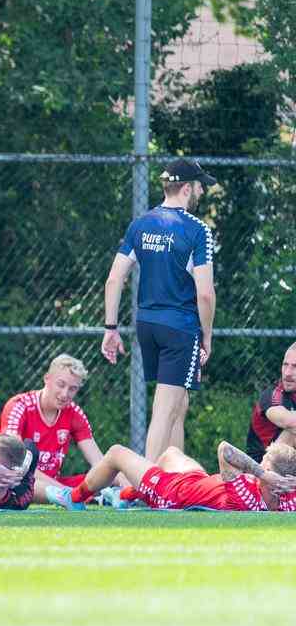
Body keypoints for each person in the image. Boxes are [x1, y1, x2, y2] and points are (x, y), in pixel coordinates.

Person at [101, 158, 217, 460]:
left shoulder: (140, 224)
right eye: (200, 186)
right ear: (187, 188)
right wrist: (207, 336)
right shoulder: (197, 230)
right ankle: (146, 484)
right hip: (180, 327)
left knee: (179, 403)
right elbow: (205, 294)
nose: (202, 192)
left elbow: (114, 279)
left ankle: (174, 477)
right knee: (166, 409)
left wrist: (110, 329)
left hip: (147, 326)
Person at [0, 354, 121, 503]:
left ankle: (125, 495)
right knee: (18, 476)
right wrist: (65, 492)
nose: (65, 394)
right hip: (15, 482)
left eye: (73, 389)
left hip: (54, 486)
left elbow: (100, 463)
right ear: (47, 379)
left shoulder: (74, 412)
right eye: (61, 384)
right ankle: (81, 497)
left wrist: (124, 482)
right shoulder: (19, 406)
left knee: (110, 475)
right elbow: (15, 463)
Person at [47, 438, 296, 512]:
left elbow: (225, 449)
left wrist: (263, 473)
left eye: (264, 467)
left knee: (115, 453)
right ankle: (129, 495)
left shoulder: (243, 495)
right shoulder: (287, 500)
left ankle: (75, 497)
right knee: (170, 453)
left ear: (275, 483)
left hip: (172, 492)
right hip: (197, 481)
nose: (258, 468)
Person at [244, 342, 296, 462]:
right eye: (285, 365)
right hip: (261, 470)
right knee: (292, 432)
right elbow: (290, 422)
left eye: (295, 367)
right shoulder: (272, 395)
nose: (287, 373)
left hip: (290, 470)